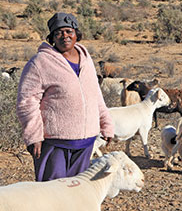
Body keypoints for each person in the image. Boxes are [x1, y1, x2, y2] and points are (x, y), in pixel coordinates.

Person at [16, 12, 114, 181]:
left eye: (69, 31)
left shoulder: (86, 59)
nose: (65, 36)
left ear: (77, 34)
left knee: (76, 191)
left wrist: (106, 122)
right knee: (51, 192)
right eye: (58, 33)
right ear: (52, 37)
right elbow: (27, 101)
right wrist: (34, 136)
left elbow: (94, 93)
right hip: (55, 142)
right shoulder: (40, 62)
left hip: (85, 141)